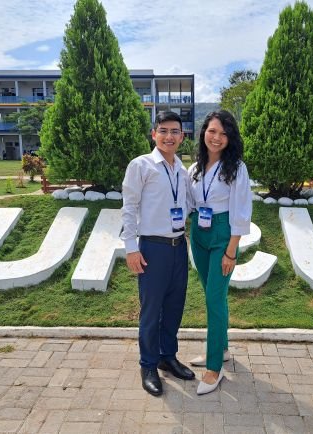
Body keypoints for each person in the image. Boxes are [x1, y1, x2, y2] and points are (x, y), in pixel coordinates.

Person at [121, 111, 195, 397]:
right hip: (152, 247)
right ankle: (149, 365)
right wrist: (131, 248)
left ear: (182, 136)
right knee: (151, 311)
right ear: (154, 134)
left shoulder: (182, 169)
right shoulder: (141, 165)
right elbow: (129, 207)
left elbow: (188, 203)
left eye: (174, 131)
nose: (169, 136)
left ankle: (167, 356)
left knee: (174, 307)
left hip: (179, 246)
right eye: (163, 130)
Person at [188, 110, 252, 395]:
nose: (217, 138)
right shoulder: (196, 167)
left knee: (214, 298)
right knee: (212, 294)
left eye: (223, 134)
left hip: (223, 233)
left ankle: (214, 367)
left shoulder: (236, 167)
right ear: (204, 132)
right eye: (212, 131)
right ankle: (221, 348)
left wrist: (231, 251)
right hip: (198, 234)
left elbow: (241, 210)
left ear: (230, 139)